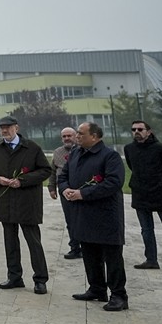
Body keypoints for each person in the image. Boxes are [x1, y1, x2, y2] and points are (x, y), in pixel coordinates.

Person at [60, 121, 128, 311]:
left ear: (95, 136)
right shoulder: (75, 153)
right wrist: (65, 189)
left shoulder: (110, 156)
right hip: (82, 214)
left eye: (81, 133)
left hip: (106, 215)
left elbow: (113, 183)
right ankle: (97, 288)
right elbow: (63, 176)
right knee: (90, 254)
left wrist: (83, 193)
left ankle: (118, 295)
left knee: (112, 258)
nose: (77, 136)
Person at [0, 115, 51, 294]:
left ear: (17, 128)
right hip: (5, 202)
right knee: (10, 242)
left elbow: (46, 170)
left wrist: (23, 181)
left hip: (27, 202)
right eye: (2, 128)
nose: (4, 130)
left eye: (8, 127)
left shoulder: (32, 148)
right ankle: (14, 276)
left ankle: (40, 279)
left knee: (33, 242)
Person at [124, 120, 162, 274]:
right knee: (146, 230)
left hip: (161, 194)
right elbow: (131, 166)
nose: (136, 132)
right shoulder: (129, 148)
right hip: (140, 194)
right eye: (134, 129)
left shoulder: (161, 148)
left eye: (140, 129)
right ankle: (151, 260)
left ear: (149, 131)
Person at [48, 127, 83, 260]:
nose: (67, 138)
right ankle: (75, 248)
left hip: (81, 190)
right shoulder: (58, 152)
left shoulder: (83, 150)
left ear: (75, 136)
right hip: (65, 191)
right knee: (70, 220)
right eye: (64, 136)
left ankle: (89, 247)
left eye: (69, 136)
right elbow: (53, 171)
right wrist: (52, 188)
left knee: (84, 219)